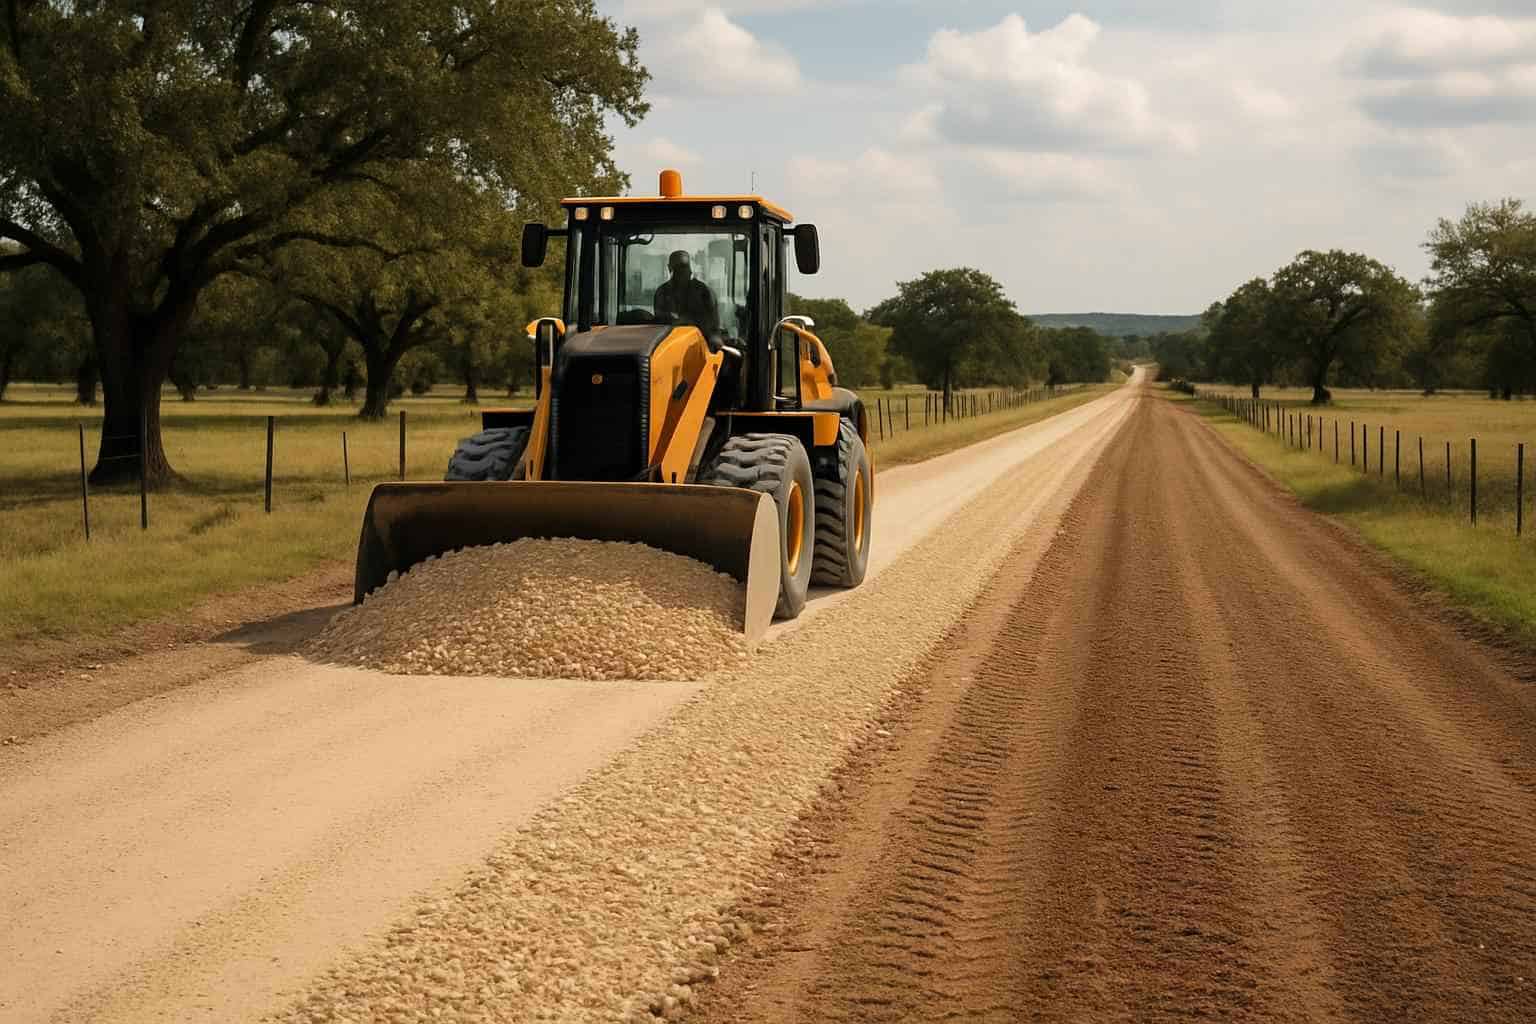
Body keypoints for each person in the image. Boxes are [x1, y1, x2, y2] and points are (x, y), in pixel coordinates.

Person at [653, 250, 718, 331]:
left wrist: (683, 320)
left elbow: (710, 324)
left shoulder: (703, 291)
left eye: (685, 267)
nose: (687, 272)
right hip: (669, 339)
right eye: (678, 268)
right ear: (670, 268)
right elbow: (658, 322)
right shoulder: (662, 292)